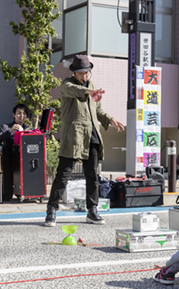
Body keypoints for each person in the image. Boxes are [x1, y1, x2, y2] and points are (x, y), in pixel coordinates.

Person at [45, 55, 125, 227]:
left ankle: (92, 210)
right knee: (63, 174)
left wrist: (111, 120)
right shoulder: (67, 84)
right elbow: (74, 91)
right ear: (74, 72)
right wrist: (88, 92)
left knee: (92, 175)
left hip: (92, 133)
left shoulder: (93, 86)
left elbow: (98, 111)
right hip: (73, 134)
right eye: (81, 73)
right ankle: (51, 210)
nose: (85, 76)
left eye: (87, 72)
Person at [0, 103, 31, 201]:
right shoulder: (6, 126)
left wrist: (23, 133)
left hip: (22, 160)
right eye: (19, 113)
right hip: (9, 158)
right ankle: (7, 193)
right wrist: (10, 131)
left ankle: (22, 193)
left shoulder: (28, 129)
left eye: (24, 114)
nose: (21, 116)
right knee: (7, 196)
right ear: (14, 115)